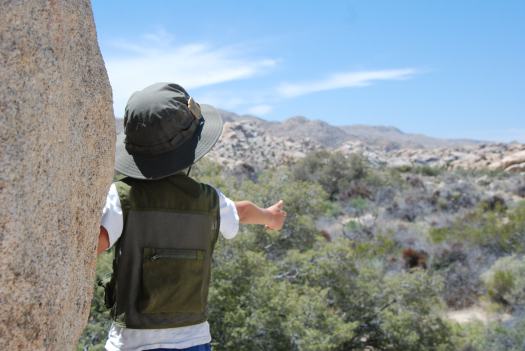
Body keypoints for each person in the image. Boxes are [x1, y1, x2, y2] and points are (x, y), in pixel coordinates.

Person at [97, 82, 287, 351]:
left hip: (131, 344)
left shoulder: (122, 196)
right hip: (194, 342)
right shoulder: (210, 199)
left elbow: (97, 242)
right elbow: (242, 211)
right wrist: (270, 217)